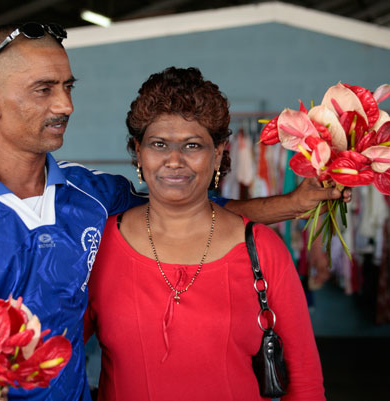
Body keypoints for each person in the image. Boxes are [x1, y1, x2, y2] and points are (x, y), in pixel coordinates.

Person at [0, 23, 340, 401]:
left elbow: (188, 211)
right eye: (44, 89)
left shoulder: (92, 196)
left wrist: (293, 204)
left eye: (68, 86)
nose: (66, 104)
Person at [84, 67, 325, 400]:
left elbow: (305, 383)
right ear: (138, 152)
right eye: (158, 144)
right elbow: (56, 356)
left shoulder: (262, 250)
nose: (174, 160)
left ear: (218, 153)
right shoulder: (98, 247)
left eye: (192, 145)